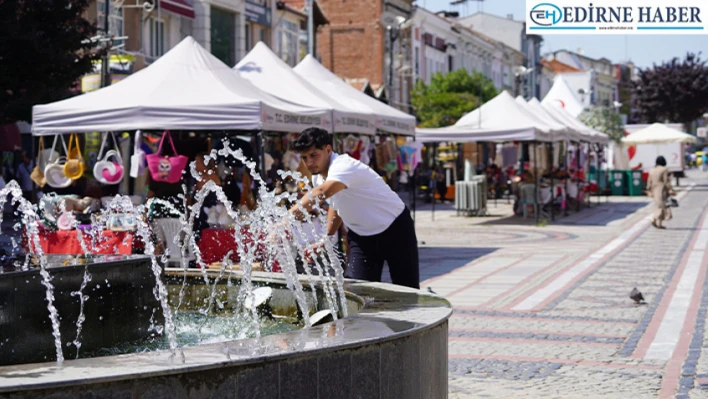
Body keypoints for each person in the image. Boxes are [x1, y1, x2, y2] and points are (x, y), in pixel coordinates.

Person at [287, 127, 419, 289]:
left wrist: (285, 219)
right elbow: (336, 204)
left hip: (395, 228)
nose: (309, 163)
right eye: (304, 158)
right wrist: (326, 239)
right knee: (358, 290)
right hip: (362, 237)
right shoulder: (318, 178)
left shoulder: (343, 165)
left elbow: (323, 191)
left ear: (328, 150)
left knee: (408, 291)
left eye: (314, 155)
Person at [646, 156, 675, 229]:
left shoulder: (652, 170)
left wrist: (649, 190)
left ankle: (659, 224)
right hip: (662, 190)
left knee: (660, 205)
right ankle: (654, 219)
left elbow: (649, 181)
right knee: (661, 206)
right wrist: (670, 189)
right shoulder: (664, 170)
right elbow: (666, 181)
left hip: (654, 190)